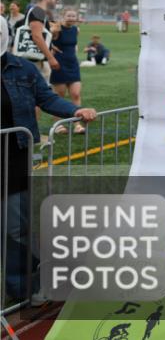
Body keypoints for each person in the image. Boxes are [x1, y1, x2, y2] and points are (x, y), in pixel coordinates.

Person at [1, 24, 98, 301]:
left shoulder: (22, 69)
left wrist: (75, 109)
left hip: (14, 159)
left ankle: (23, 292)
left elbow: (46, 98)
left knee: (16, 229)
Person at [13, 0, 60, 84]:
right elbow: (37, 36)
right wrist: (51, 57)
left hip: (32, 59)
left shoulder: (37, 11)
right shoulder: (38, 11)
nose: (57, 1)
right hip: (33, 59)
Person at [50, 9, 85, 134]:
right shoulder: (57, 29)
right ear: (63, 16)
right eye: (68, 15)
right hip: (58, 65)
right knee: (59, 96)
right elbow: (45, 39)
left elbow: (73, 45)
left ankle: (77, 125)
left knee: (75, 94)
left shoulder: (76, 30)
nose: (71, 17)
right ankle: (58, 125)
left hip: (73, 65)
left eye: (73, 15)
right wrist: (52, 48)